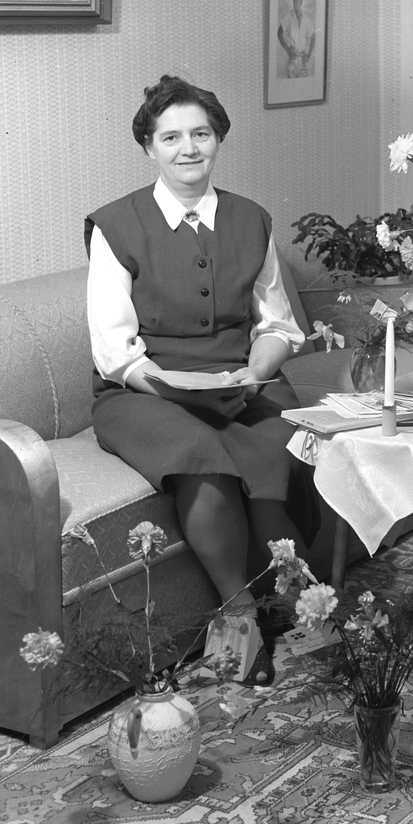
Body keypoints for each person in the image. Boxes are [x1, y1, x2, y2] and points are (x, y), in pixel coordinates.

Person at [84, 75, 315, 686]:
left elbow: (277, 324)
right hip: (144, 391)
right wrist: (174, 386)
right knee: (201, 454)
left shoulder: (252, 219)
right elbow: (115, 352)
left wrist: (255, 372)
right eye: (171, 137)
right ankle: (239, 614)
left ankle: (290, 592)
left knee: (280, 444)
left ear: (218, 139)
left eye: (201, 134)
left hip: (243, 378)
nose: (188, 149)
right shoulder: (115, 226)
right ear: (148, 147)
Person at [276, 0, 316, 79]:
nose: (295, 0)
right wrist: (288, 49)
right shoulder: (289, 16)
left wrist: (308, 56)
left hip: (302, 62)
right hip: (292, 61)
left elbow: (313, 36)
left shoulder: (306, 19)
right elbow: (279, 33)